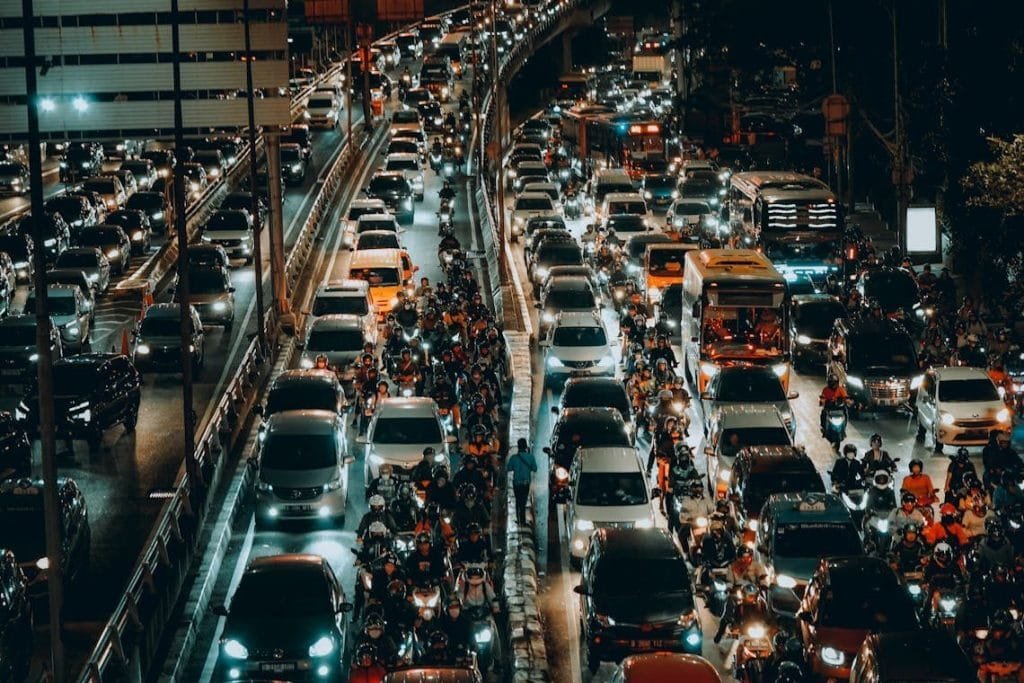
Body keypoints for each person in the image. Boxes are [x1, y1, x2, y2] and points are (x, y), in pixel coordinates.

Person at [714, 583, 769, 670]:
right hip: (745, 632)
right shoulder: (739, 607)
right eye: (749, 596)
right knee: (738, 647)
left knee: (770, 649)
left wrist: (768, 626)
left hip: (759, 631)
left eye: (753, 596)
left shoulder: (762, 604)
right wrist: (735, 627)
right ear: (744, 595)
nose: (751, 598)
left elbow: (767, 618)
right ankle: (738, 666)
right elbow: (735, 619)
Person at [507, 438, 537, 527]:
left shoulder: (514, 458)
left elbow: (509, 468)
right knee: (523, 502)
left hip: (516, 483)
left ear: (518, 446)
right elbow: (535, 468)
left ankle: (518, 518)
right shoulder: (530, 457)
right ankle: (523, 521)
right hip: (525, 483)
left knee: (518, 500)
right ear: (526, 446)